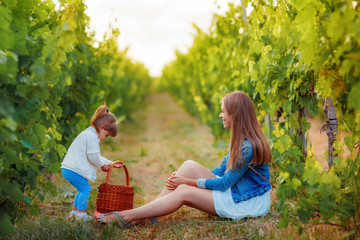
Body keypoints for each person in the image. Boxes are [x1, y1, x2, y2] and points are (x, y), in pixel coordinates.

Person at [94, 91, 272, 226]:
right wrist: (189, 177)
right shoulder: (240, 140)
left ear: (235, 114)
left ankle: (126, 216)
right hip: (237, 191)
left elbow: (224, 183)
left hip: (245, 201)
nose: (220, 115)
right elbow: (221, 171)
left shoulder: (247, 147)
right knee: (188, 166)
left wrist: (188, 181)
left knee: (184, 190)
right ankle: (149, 215)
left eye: (223, 111)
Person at [61, 105, 118, 221]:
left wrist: (110, 163)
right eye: (106, 135)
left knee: (82, 189)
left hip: (68, 168)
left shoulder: (88, 134)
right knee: (85, 189)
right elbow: (93, 157)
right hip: (73, 169)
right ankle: (81, 215)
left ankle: (74, 213)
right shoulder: (91, 137)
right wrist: (102, 165)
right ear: (102, 127)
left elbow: (95, 156)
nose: (105, 138)